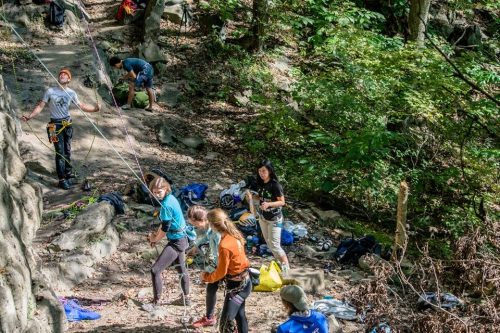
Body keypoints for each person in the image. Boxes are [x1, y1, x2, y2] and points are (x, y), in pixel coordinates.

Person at [21, 67, 100, 190]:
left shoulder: (71, 93)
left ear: (69, 79)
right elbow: (41, 106)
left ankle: (68, 174)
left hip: (67, 124)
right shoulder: (50, 91)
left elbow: (81, 106)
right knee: (60, 152)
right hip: (54, 126)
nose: (62, 75)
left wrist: (95, 109)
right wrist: (30, 116)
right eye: (60, 74)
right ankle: (62, 179)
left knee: (67, 150)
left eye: (65, 74)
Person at [201, 208, 252, 333]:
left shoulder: (224, 245)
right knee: (240, 316)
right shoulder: (234, 235)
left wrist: (206, 277)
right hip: (244, 282)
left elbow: (221, 272)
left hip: (238, 287)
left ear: (213, 225)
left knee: (225, 322)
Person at [147, 176, 191, 306]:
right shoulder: (171, 199)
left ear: (166, 189)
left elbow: (165, 228)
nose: (156, 195)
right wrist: (156, 236)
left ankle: (156, 303)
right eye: (154, 192)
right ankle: (186, 299)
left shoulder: (166, 205)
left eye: (159, 192)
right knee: (181, 269)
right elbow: (165, 224)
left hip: (177, 242)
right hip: (182, 238)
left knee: (155, 270)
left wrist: (154, 238)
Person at [186, 206, 222, 328]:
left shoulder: (217, 233)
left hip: (224, 266)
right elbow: (206, 237)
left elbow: (219, 258)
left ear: (202, 220)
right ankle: (210, 317)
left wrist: (206, 272)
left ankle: (218, 319)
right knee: (211, 289)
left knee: (228, 295)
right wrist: (195, 247)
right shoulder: (210, 230)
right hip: (217, 264)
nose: (196, 228)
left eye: (195, 225)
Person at [254, 159, 290, 275]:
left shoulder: (275, 185)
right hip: (263, 217)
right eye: (259, 171)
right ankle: (280, 265)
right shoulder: (260, 183)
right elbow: (261, 198)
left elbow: (282, 202)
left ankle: (287, 270)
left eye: (264, 171)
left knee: (275, 245)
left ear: (269, 171)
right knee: (269, 243)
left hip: (274, 219)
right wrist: (252, 197)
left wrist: (269, 204)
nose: (261, 173)